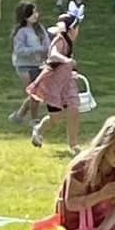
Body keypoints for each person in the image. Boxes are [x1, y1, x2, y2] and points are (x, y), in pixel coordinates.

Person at [27, 12, 82, 150]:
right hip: (54, 85)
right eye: (76, 28)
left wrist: (72, 72)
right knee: (55, 118)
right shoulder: (59, 40)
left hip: (67, 83)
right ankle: (39, 129)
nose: (77, 31)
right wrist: (66, 60)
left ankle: (73, 144)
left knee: (74, 109)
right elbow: (54, 55)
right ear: (70, 29)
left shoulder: (69, 43)